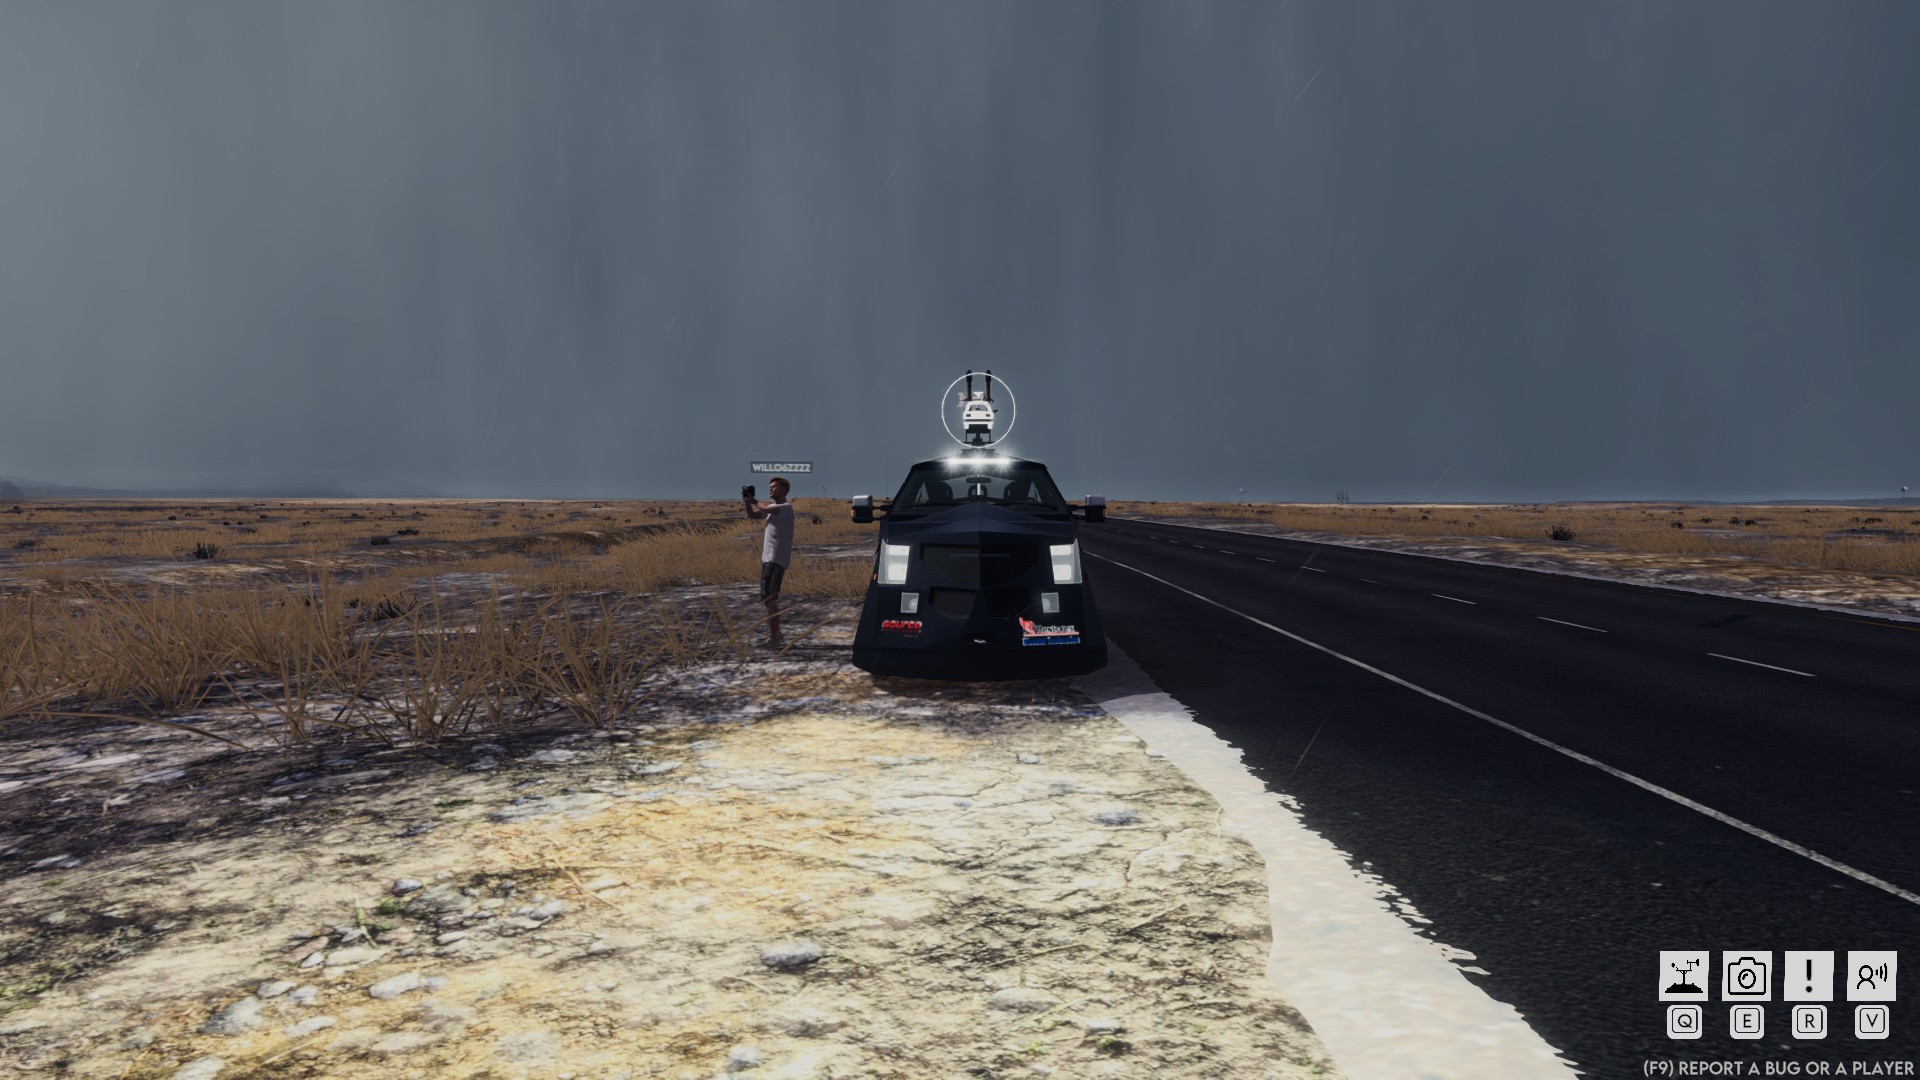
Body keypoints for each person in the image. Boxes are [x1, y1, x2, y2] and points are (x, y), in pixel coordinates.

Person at [742, 476, 795, 647]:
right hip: (769, 559)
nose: (770, 489)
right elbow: (752, 515)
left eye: (774, 487)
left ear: (784, 489)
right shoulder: (773, 509)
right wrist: (747, 502)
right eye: (770, 487)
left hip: (776, 560)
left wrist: (754, 500)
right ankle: (775, 634)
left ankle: (775, 637)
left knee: (769, 598)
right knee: (767, 598)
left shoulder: (785, 507)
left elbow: (764, 507)